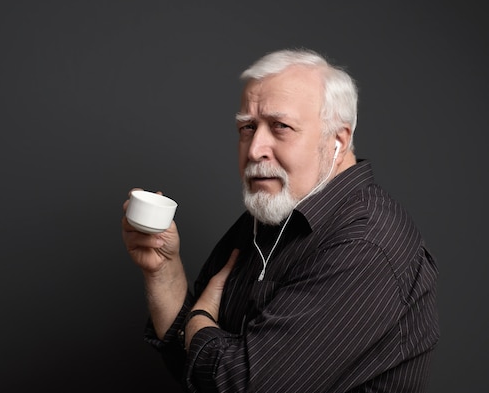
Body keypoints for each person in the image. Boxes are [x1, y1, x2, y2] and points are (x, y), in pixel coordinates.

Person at [121, 48, 439, 392]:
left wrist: (200, 321)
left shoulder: (367, 243)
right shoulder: (268, 218)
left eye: (280, 126)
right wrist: (163, 271)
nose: (255, 148)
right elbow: (192, 368)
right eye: (247, 127)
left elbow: (243, 385)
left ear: (338, 140)